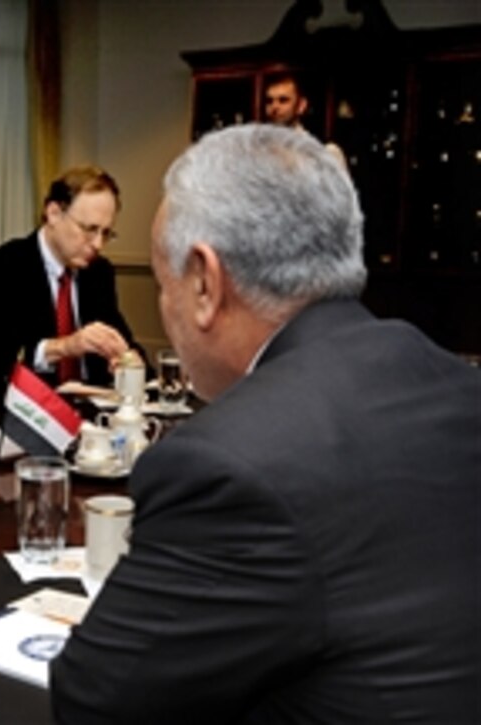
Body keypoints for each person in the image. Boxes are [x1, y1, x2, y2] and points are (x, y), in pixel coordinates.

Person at [50, 125, 480, 722]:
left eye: (162, 280)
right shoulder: (455, 383)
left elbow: (96, 700)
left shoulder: (227, 463)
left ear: (204, 282)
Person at [0, 165, 147, 429]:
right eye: (89, 229)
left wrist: (128, 361)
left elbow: (126, 343)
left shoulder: (98, 273)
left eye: (106, 233)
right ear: (54, 213)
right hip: (21, 424)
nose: (98, 244)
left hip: (94, 425)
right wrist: (63, 347)